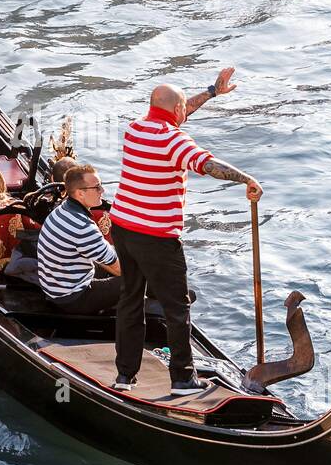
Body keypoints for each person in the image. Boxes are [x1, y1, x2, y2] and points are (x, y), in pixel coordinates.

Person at [109, 68, 262, 395]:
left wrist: (211, 92)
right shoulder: (174, 140)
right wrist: (247, 179)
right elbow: (206, 164)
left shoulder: (136, 129)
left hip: (122, 226)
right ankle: (182, 379)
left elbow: (177, 111)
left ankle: (125, 376)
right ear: (177, 112)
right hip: (156, 237)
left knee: (130, 300)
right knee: (177, 308)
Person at [36, 164, 122, 313]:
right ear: (80, 194)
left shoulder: (61, 210)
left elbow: (105, 256)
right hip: (73, 298)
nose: (102, 191)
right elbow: (118, 267)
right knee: (138, 278)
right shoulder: (83, 226)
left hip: (54, 288)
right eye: (97, 187)